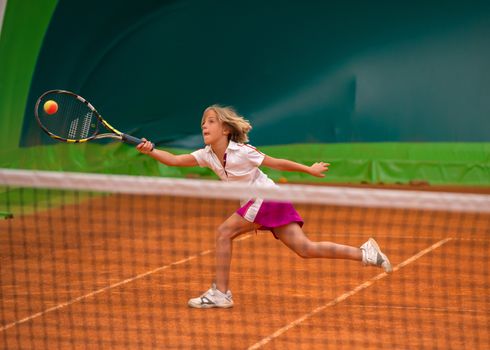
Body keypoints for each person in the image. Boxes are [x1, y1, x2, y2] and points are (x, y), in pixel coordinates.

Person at [136, 105, 392, 309]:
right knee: (305, 248)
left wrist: (309, 169)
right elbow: (175, 160)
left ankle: (221, 293)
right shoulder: (207, 155)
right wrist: (151, 150)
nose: (205, 124)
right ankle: (365, 253)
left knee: (224, 233)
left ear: (225, 129)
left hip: (265, 198)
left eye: (211, 120)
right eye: (203, 121)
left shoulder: (242, 151)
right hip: (270, 201)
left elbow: (276, 163)